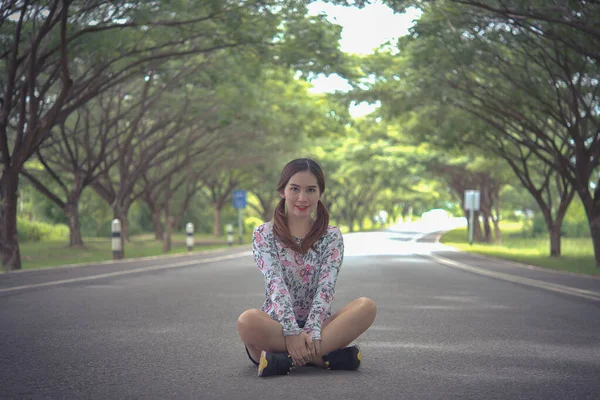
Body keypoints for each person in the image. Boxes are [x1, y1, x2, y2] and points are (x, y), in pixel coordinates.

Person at [237, 158, 377, 377]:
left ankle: (282, 360)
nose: (302, 198)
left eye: (311, 190)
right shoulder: (263, 234)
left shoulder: (331, 236)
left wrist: (312, 330)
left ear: (320, 193)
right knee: (247, 322)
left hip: (321, 327)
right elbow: (275, 283)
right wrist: (291, 331)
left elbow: (326, 288)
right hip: (276, 327)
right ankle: (321, 358)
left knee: (366, 307)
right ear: (283, 191)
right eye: (295, 189)